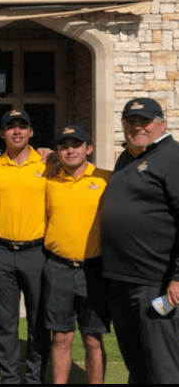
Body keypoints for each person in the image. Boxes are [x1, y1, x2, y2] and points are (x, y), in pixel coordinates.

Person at [100, 97, 179, 383]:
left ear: (161, 123)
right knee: (137, 363)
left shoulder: (172, 157)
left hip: (155, 282)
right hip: (121, 280)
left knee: (163, 366)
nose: (137, 128)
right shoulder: (128, 158)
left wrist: (178, 277)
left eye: (144, 122)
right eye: (130, 122)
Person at [0, 109, 49, 384]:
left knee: (38, 321)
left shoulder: (48, 164)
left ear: (31, 132)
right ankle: (9, 378)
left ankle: (35, 378)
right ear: (2, 133)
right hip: (0, 252)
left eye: (23, 126)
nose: (17, 131)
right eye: (11, 127)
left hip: (37, 252)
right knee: (6, 323)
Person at [43, 125, 110, 384]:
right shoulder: (49, 180)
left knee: (92, 338)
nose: (70, 151)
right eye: (63, 146)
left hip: (93, 269)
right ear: (58, 151)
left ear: (89, 148)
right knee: (60, 336)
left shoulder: (105, 178)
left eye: (76, 145)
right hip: (58, 267)